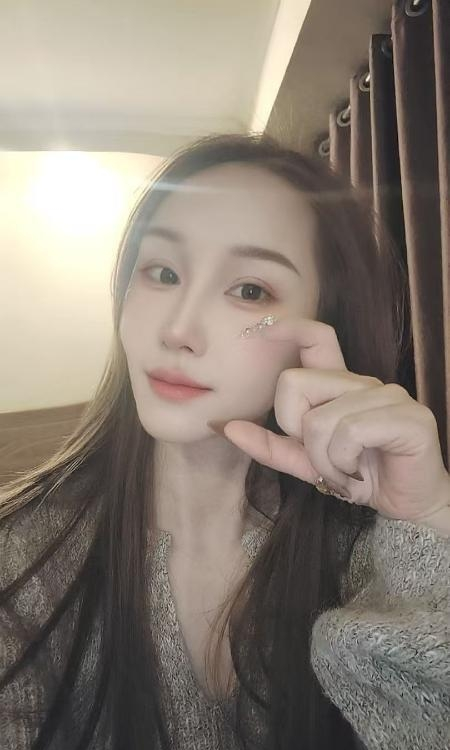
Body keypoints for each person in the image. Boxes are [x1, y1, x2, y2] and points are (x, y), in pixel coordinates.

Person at [0, 133, 449, 750]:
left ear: (323, 329)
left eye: (249, 291)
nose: (179, 330)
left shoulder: (375, 557)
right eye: (162, 273)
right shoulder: (21, 556)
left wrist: (428, 517)